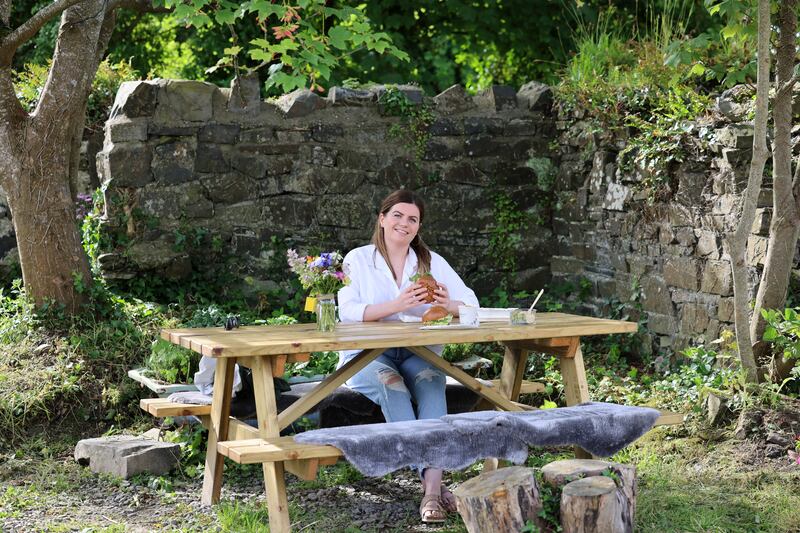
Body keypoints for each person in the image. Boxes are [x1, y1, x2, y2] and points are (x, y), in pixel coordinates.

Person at [337, 189, 480, 523]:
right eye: (397, 215)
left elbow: (472, 304)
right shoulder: (357, 259)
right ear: (382, 218)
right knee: (393, 387)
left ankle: (431, 489)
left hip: (419, 352)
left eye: (412, 219)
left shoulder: (431, 263)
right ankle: (434, 486)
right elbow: (348, 311)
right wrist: (398, 305)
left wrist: (448, 305)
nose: (404, 223)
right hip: (368, 356)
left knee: (432, 384)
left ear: (418, 227)